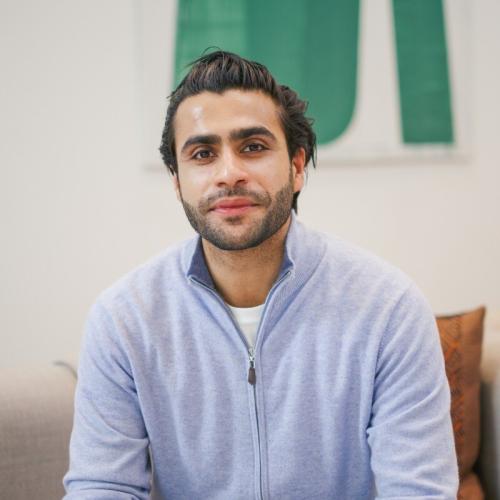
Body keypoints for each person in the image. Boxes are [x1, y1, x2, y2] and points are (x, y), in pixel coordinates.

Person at [63, 51, 458, 499]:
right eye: (202, 154)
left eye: (252, 147)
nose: (229, 174)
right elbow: (102, 487)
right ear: (176, 181)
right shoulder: (123, 319)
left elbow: (419, 490)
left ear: (296, 167)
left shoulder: (389, 309)